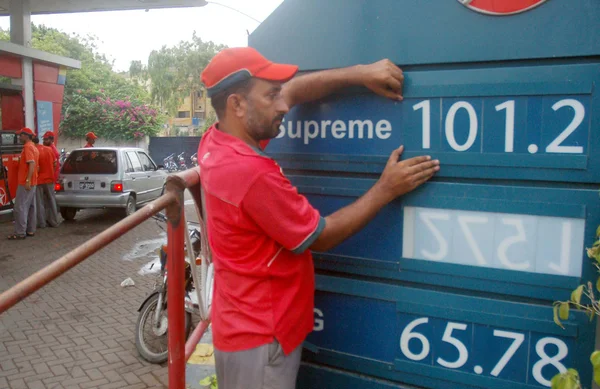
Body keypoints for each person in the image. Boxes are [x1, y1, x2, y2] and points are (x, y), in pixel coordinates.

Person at [197, 47, 440, 389]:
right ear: (237, 105)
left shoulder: (218, 140)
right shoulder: (249, 172)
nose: (283, 105)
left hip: (242, 322)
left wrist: (359, 74)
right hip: (260, 339)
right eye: (271, 96)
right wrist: (386, 188)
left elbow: (294, 91)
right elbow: (320, 236)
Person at [7, 127, 39, 240]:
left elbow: (31, 164)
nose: (19, 137)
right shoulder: (34, 147)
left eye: (21, 135)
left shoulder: (27, 147)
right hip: (33, 181)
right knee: (30, 206)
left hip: (25, 182)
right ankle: (30, 230)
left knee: (20, 207)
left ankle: (20, 232)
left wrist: (27, 180)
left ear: (26, 135)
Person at [33, 136, 59, 228]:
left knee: (39, 202)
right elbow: (55, 164)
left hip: (39, 180)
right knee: (51, 200)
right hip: (49, 179)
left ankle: (42, 223)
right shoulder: (49, 149)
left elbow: (37, 168)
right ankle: (54, 221)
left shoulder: (34, 151)